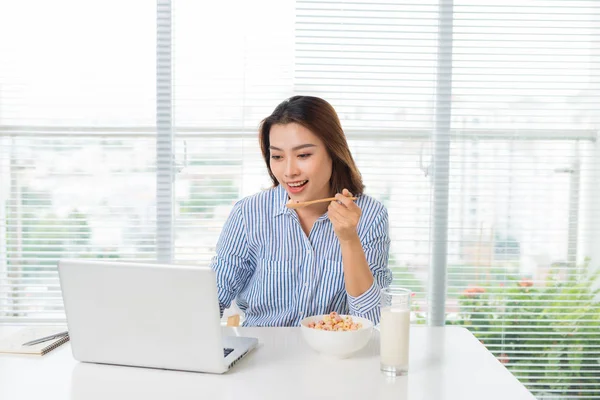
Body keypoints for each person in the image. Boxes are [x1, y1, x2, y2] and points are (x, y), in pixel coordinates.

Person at [210, 95, 392, 327]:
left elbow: (371, 320)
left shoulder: (370, 215)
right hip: (263, 351)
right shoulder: (248, 213)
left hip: (334, 354)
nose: (289, 171)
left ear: (333, 152)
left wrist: (349, 240)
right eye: (277, 156)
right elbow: (213, 296)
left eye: (303, 155)